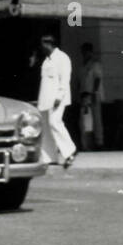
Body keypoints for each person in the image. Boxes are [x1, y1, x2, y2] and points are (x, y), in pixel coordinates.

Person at [36, 32, 76, 169]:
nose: (41, 47)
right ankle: (49, 157)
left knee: (55, 122)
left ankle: (69, 151)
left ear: (48, 44)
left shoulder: (62, 58)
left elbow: (65, 79)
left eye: (43, 44)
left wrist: (59, 96)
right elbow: (45, 82)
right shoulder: (46, 60)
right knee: (46, 127)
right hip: (45, 99)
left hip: (58, 99)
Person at [78, 42, 104, 151]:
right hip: (84, 95)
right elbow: (81, 81)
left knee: (96, 120)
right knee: (84, 121)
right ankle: (86, 144)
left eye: (86, 51)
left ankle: (99, 143)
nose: (85, 54)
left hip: (93, 94)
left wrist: (95, 92)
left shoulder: (95, 64)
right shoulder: (83, 65)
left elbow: (98, 79)